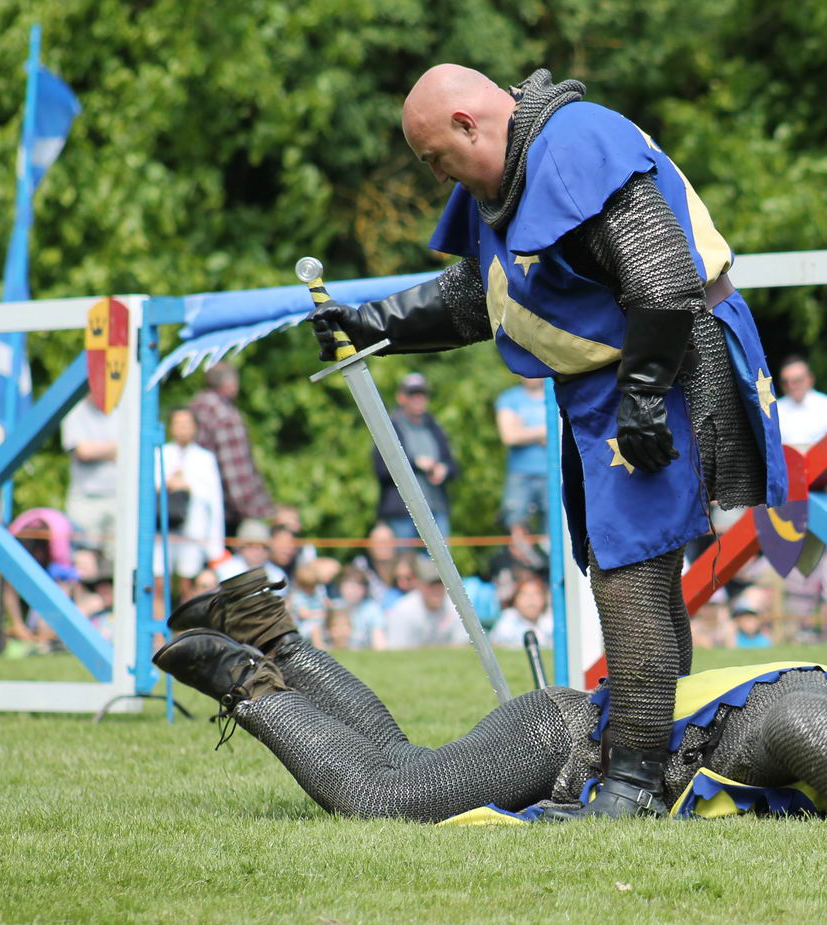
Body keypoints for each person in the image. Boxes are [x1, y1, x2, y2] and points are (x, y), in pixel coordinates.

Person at [305, 65, 787, 818]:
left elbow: (662, 278)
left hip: (661, 363)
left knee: (629, 577)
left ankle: (631, 784)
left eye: (437, 158)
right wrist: (372, 323)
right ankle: (659, 761)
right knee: (636, 573)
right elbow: (487, 296)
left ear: (468, 124)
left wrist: (644, 392)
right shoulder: (509, 176)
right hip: (608, 385)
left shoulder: (575, 141)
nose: (438, 176)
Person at [152, 577, 827, 823]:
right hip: (561, 739)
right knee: (384, 797)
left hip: (563, 737)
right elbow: (799, 730)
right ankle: (246, 684)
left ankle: (269, 634)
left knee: (401, 763)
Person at [189, 362, 274, 536]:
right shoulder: (224, 414)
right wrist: (251, 511)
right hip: (226, 510)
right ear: (228, 384)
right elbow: (235, 471)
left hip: (195, 503)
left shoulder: (196, 405)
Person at [377, 373, 459, 541]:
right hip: (402, 513)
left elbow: (453, 465)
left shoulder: (435, 427)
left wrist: (444, 470)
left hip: (435, 509)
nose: (418, 399)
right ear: (401, 397)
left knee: (441, 557)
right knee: (403, 558)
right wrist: (415, 463)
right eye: (412, 394)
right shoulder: (390, 427)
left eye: (422, 394)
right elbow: (381, 468)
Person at [159, 407, 224, 581]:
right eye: (178, 424)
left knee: (187, 580)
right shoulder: (160, 454)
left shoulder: (205, 458)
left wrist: (215, 543)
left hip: (193, 530)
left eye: (187, 424)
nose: (183, 428)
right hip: (162, 529)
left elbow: (214, 501)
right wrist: (168, 485)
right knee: (158, 579)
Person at [60, 396, 120, 560]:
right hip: (86, 497)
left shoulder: (122, 409)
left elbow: (134, 448)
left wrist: (99, 450)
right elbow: (84, 452)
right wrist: (117, 448)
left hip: (119, 496)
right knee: (84, 557)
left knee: (118, 558)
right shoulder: (75, 411)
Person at [495, 376, 549, 534]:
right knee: (515, 524)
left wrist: (524, 431)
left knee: (554, 527)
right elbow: (510, 437)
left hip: (553, 474)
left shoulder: (555, 395)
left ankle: (546, 550)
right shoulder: (509, 398)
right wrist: (544, 431)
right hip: (520, 474)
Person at [384, 557, 459, 649]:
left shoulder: (456, 608)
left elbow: (462, 645)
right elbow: (396, 649)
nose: (436, 589)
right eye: (431, 585)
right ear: (419, 585)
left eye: (440, 584)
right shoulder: (403, 611)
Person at [214, 519, 287, 590]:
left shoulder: (277, 575)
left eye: (264, 546)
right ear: (240, 547)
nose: (259, 552)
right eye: (252, 545)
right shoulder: (224, 571)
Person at [487, 575, 552, 649]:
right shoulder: (508, 619)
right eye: (525, 594)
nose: (531, 599)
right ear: (515, 599)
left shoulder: (550, 619)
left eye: (536, 594)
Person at [335, 566, 387, 650]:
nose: (352, 590)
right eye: (348, 586)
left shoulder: (372, 609)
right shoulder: (335, 607)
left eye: (357, 586)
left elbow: (379, 642)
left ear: (365, 589)